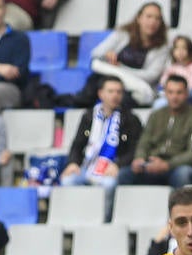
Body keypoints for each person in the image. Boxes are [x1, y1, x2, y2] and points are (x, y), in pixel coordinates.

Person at [60, 75, 142, 221]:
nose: (115, 95)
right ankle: (77, 221)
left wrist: (118, 165)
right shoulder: (89, 116)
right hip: (88, 167)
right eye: (110, 91)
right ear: (101, 94)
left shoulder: (131, 119)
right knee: (68, 181)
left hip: (111, 168)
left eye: (118, 92)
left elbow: (135, 150)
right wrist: (72, 163)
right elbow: (77, 145)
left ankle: (103, 222)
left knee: (109, 184)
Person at [119, 76, 192, 191]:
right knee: (124, 175)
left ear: (186, 94)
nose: (174, 97)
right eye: (170, 92)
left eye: (179, 92)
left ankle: (180, 208)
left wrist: (167, 164)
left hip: (179, 166)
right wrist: (140, 158)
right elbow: (144, 142)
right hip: (152, 164)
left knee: (183, 174)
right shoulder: (156, 116)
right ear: (165, 93)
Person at [87, 1, 170, 108]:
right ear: (139, 18)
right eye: (149, 17)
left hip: (136, 87)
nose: (153, 22)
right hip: (111, 79)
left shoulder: (162, 47)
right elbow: (95, 54)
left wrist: (120, 70)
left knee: (121, 97)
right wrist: (107, 55)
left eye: (157, 18)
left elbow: (151, 76)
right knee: (92, 85)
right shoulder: (122, 34)